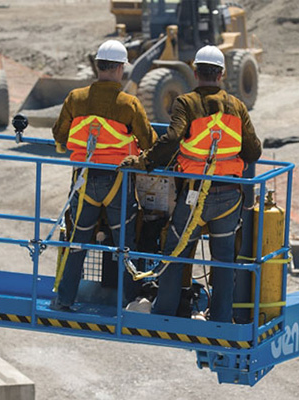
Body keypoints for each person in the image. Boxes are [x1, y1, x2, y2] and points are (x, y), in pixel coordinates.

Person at [120, 45, 262, 322]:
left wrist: (145, 161)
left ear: (196, 72)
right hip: (229, 196)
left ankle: (164, 312)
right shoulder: (237, 106)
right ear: (221, 74)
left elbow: (172, 139)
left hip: (195, 195)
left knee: (176, 252)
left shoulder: (186, 103)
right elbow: (253, 151)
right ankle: (220, 317)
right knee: (223, 261)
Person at [51, 39, 156, 311]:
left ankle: (64, 299)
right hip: (117, 182)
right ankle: (127, 303)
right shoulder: (128, 104)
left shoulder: (75, 99)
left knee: (78, 242)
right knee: (124, 245)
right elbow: (149, 141)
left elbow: (59, 135)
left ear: (98, 66)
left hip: (84, 182)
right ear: (121, 69)